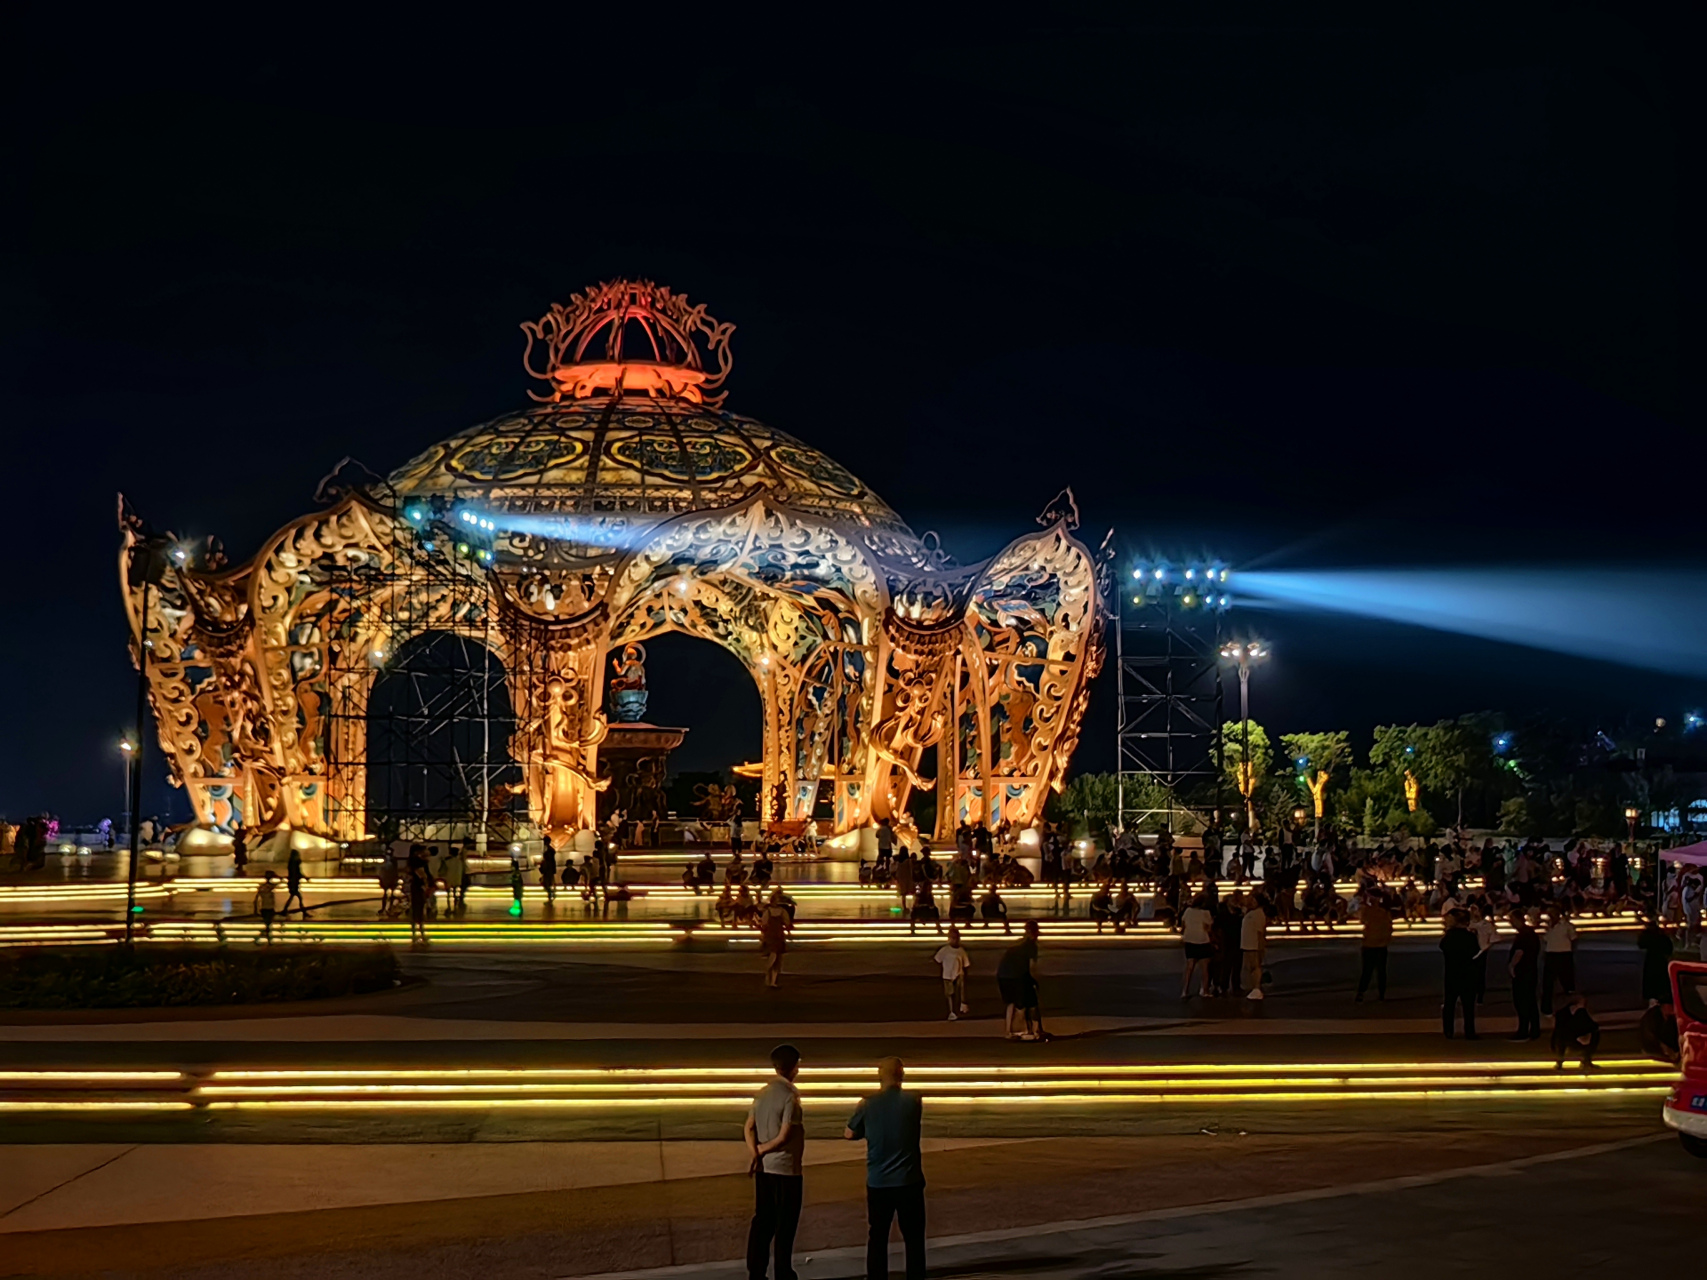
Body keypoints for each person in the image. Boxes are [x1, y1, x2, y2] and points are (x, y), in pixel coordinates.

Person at [845, 1057, 926, 1280]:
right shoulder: (914, 1101)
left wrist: (868, 1129)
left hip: (879, 1181)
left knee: (878, 1235)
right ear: (902, 1075)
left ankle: (876, 1276)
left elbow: (849, 1133)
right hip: (909, 1179)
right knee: (914, 1236)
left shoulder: (867, 1103)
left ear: (879, 1076)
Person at [745, 1044, 806, 1280]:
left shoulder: (762, 1093)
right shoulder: (791, 1096)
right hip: (787, 1170)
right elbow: (785, 1136)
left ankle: (756, 1271)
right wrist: (761, 1150)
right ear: (794, 1067)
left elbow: (749, 1127)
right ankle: (783, 1271)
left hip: (764, 1171)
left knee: (762, 1220)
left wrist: (755, 1153)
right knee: (785, 1225)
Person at [1439, 909, 1479, 1039]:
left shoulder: (1449, 936)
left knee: (1449, 1003)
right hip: (1468, 973)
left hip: (1452, 972)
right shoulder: (1471, 936)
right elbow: (1476, 951)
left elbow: (1443, 947)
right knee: (1468, 1005)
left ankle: (1448, 1030)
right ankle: (1470, 1031)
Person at [1508, 912, 1542, 1040]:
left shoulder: (1523, 935)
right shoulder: (1531, 934)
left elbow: (1519, 952)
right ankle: (1534, 1029)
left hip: (1522, 972)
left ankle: (1523, 1030)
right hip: (1531, 970)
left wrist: (1511, 966)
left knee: (1522, 1002)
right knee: (1531, 1001)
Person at [1356, 890, 1392, 1002]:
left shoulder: (1368, 911)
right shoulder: (1383, 912)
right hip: (1379, 944)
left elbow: (1361, 917)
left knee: (1367, 970)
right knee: (1380, 971)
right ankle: (1381, 993)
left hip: (1370, 944)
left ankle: (1362, 992)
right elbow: (1389, 928)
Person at [1541, 909, 1578, 1015]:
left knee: (1568, 984)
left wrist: (1570, 952)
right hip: (1551, 954)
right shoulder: (1549, 926)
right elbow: (1546, 940)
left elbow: (1574, 939)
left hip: (1564, 954)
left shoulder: (1566, 926)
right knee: (1548, 984)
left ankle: (1572, 1008)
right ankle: (1546, 1009)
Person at [1551, 993, 1600, 1068]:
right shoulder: (1562, 1013)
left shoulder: (1583, 1012)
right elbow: (1560, 1030)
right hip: (1569, 1038)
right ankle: (1560, 1061)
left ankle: (1586, 1061)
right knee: (1560, 1038)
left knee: (1595, 1034)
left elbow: (1593, 1026)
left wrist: (1587, 1035)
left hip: (1581, 1038)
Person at [1179, 893, 1214, 998]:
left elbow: (1183, 924)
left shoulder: (1188, 911)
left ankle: (1185, 990)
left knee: (1189, 967)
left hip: (1189, 940)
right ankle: (1205, 990)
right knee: (1204, 968)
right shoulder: (1205, 913)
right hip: (1202, 940)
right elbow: (1208, 928)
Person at [933, 926, 971, 1020]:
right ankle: (952, 1011)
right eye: (952, 938)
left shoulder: (961, 951)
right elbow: (937, 960)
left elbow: (965, 964)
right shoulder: (945, 950)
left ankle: (960, 1006)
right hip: (947, 975)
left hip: (959, 974)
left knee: (959, 992)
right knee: (950, 994)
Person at [1637, 914, 1675, 1006]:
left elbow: (1641, 944)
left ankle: (1654, 998)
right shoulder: (1661, 935)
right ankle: (1661, 997)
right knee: (1661, 981)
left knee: (1652, 981)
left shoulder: (1649, 935)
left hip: (1652, 960)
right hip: (1661, 960)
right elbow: (1669, 948)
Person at [760, 888, 792, 988]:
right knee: (775, 957)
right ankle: (771, 978)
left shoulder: (770, 911)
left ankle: (771, 979)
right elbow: (787, 922)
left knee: (775, 957)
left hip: (774, 935)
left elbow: (764, 924)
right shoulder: (781, 911)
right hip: (775, 935)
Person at [1239, 892, 1268, 1000]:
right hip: (1247, 943)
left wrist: (1261, 946)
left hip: (1253, 944)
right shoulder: (1250, 912)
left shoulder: (1258, 914)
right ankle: (1253, 987)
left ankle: (1257, 988)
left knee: (1255, 966)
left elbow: (1260, 932)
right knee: (1250, 966)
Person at [253, 870, 279, 944]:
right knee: (268, 924)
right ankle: (265, 939)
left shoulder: (263, 887)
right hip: (268, 907)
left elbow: (256, 898)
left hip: (265, 907)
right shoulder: (269, 887)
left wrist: (255, 909)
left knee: (267, 925)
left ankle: (265, 938)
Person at [284, 846, 310, 917]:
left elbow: (296, 873)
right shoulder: (294, 864)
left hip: (293, 882)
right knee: (298, 897)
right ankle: (304, 912)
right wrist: (305, 877)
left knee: (293, 897)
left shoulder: (292, 863)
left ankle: (285, 910)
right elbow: (297, 873)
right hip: (294, 883)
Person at [540, 837, 558, 904]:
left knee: (546, 883)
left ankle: (551, 895)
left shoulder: (548, 851)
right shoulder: (549, 850)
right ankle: (551, 895)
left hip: (548, 869)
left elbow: (549, 861)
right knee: (547, 883)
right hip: (548, 869)